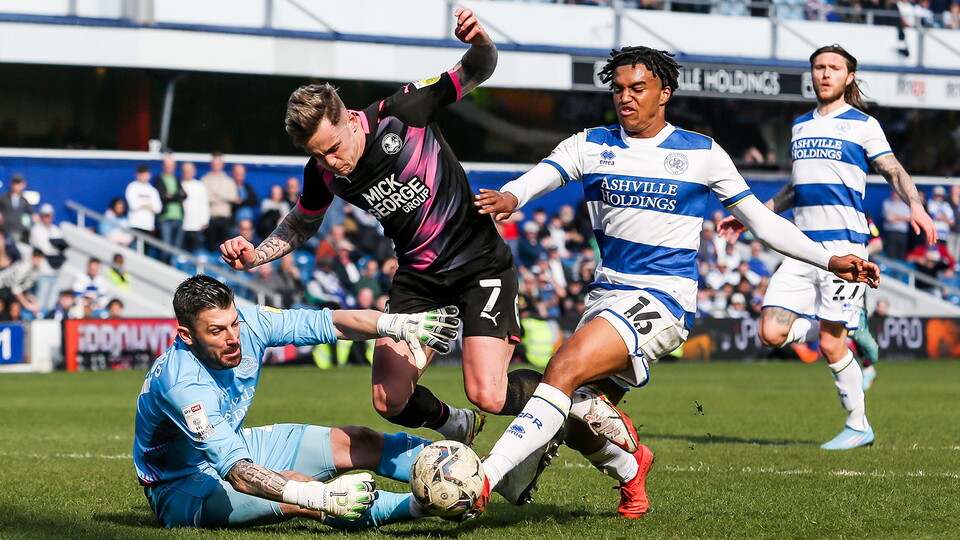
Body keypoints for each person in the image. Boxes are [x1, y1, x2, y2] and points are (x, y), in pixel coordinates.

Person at [473, 45, 880, 518]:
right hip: (606, 295)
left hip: (663, 299)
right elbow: (541, 176)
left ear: (664, 93)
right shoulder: (591, 143)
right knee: (578, 415)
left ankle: (484, 477)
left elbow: (764, 224)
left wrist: (830, 259)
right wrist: (510, 195)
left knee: (562, 367)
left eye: (638, 88)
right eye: (619, 89)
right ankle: (631, 470)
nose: (625, 97)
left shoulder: (702, 153)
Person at [220, 9, 546, 470]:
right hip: (419, 281)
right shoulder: (322, 173)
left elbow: (478, 69)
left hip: (479, 266)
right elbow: (301, 224)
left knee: (488, 393)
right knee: (388, 399)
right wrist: (256, 254)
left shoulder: (405, 111)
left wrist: (479, 42)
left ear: (350, 118)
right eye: (319, 155)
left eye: (333, 148)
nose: (331, 162)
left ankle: (569, 402)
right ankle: (457, 426)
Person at [717, 44, 936, 450]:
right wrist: (754, 215)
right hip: (802, 248)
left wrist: (917, 207)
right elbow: (796, 188)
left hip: (846, 248)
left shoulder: (863, 125)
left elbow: (894, 170)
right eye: (819, 67)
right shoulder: (800, 125)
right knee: (769, 333)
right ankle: (851, 324)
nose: (825, 73)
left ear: (849, 77)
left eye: (834, 68)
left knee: (832, 345)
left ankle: (858, 425)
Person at [133, 274, 461, 529]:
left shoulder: (249, 325)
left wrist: (396, 324)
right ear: (186, 335)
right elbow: (237, 472)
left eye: (234, 323)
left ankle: (472, 471)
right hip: (183, 487)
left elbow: (328, 322)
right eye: (217, 331)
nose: (234, 338)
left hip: (234, 442)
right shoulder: (183, 387)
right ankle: (430, 504)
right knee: (300, 492)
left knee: (357, 440)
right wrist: (318, 495)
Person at [202, 153, 238, 251]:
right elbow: (205, 198)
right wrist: (223, 197)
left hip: (225, 218)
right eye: (214, 163)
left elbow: (233, 197)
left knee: (225, 248)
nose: (216, 165)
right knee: (211, 248)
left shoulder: (229, 181)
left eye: (218, 163)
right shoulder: (205, 179)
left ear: (222, 165)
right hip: (211, 218)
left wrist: (216, 195)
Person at [153, 153, 187, 256]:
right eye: (167, 165)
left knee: (176, 250)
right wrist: (177, 196)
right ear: (163, 165)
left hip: (179, 217)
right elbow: (163, 196)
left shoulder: (177, 179)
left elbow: (185, 195)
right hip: (165, 217)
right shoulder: (159, 179)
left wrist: (171, 196)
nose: (169, 168)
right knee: (165, 249)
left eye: (171, 165)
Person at [0, 249, 49, 316]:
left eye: (40, 257)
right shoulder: (24, 267)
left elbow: (24, 286)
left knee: (17, 306)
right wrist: (26, 304)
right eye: (35, 257)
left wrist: (29, 297)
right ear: (31, 257)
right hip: (3, 285)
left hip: (9, 288)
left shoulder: (37, 269)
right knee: (10, 306)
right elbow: (15, 288)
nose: (37, 259)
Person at [180, 161, 210, 253]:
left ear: (194, 172)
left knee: (195, 252)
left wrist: (204, 221)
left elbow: (204, 204)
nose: (187, 173)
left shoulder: (200, 186)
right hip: (182, 226)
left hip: (196, 226)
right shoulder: (179, 185)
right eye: (185, 171)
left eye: (189, 171)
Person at [125, 165, 162, 239]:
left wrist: (142, 205)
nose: (143, 177)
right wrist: (149, 206)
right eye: (141, 174)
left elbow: (158, 208)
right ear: (137, 175)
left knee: (146, 249)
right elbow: (133, 205)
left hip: (148, 226)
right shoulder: (132, 187)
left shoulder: (152, 190)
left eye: (145, 174)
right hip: (135, 224)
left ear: (149, 175)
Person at [29, 204, 67, 269]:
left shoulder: (55, 229)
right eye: (45, 215)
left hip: (56, 266)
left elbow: (63, 246)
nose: (47, 218)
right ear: (41, 216)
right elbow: (44, 248)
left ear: (52, 216)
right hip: (42, 267)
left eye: (49, 215)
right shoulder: (36, 229)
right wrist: (55, 248)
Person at [0, 173, 34, 242]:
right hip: (5, 229)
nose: (17, 186)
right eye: (15, 183)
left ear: (24, 185)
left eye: (19, 183)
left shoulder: (24, 200)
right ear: (11, 184)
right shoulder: (3, 198)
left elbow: (32, 213)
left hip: (19, 230)